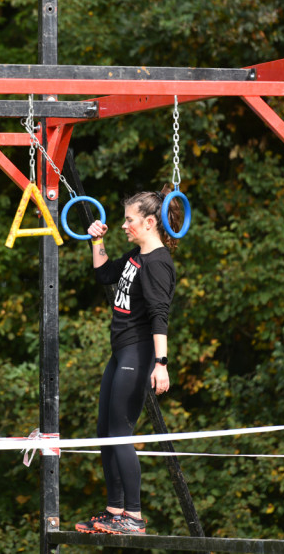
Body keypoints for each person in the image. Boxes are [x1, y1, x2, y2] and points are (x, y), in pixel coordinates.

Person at [74, 190, 179, 536]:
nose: (124, 225)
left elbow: (160, 316)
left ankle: (132, 517)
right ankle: (114, 510)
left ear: (150, 223)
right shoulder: (137, 257)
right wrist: (96, 241)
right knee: (105, 434)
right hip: (120, 352)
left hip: (139, 354)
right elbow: (104, 274)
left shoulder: (158, 263)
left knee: (120, 434)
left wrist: (161, 363)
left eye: (129, 220)